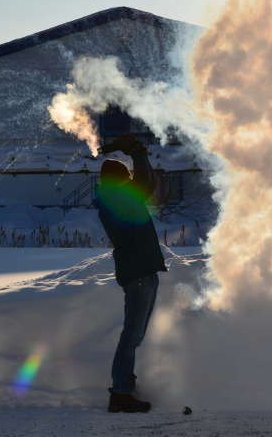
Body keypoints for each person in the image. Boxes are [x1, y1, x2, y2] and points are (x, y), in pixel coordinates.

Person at [94, 133, 167, 413]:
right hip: (138, 274)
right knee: (131, 335)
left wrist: (138, 154)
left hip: (144, 271)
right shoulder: (115, 200)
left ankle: (126, 384)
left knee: (134, 336)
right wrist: (137, 153)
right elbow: (146, 184)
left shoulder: (118, 199)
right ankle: (121, 393)